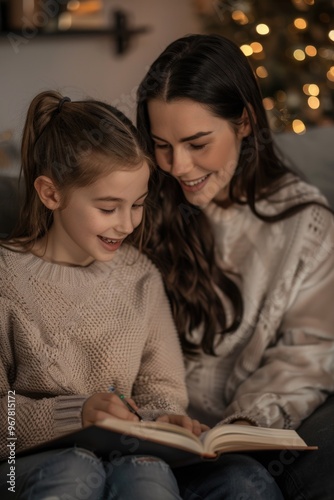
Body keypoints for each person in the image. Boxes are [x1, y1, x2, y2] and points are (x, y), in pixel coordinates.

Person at [136, 34, 334, 500]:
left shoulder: (306, 226)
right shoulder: (136, 203)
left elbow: (309, 354)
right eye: (162, 145)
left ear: (244, 123)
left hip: (230, 447)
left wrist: (246, 422)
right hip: (141, 435)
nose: (178, 167)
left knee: (245, 484)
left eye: (196, 143)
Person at [0, 90, 204, 500]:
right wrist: (76, 414)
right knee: (76, 469)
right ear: (51, 193)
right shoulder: (7, 278)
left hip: (127, 455)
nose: (127, 224)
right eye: (109, 208)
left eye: (138, 205)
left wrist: (165, 417)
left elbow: (162, 386)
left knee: (148, 476)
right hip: (21, 466)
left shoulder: (140, 277)